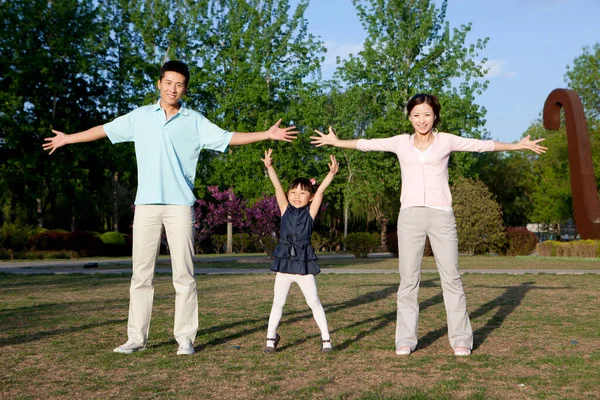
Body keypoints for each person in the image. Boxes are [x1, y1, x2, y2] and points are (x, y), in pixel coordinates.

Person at [43, 60, 298, 356]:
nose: (173, 89)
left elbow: (229, 137)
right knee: (141, 276)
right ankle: (136, 338)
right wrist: (67, 139)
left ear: (185, 89)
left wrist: (266, 135)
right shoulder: (140, 117)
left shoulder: (194, 120)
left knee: (184, 276)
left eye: (179, 84)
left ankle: (185, 339)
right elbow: (103, 130)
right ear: (159, 84)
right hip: (147, 206)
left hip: (180, 206)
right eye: (168, 83)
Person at [311, 93, 546, 357]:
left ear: (435, 116)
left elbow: (481, 145)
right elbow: (368, 144)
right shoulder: (400, 142)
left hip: (442, 215)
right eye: (416, 115)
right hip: (410, 216)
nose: (421, 120)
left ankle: (461, 340)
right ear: (409, 117)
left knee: (452, 279)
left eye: (427, 114)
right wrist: (337, 142)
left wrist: (518, 146)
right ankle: (405, 340)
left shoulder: (446, 140)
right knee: (408, 281)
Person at [261, 148, 338, 353]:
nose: (297, 195)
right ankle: (270, 339)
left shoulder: (311, 213)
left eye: (303, 192)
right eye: (293, 192)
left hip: (303, 264)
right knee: (278, 302)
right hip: (284, 264)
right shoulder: (285, 209)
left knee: (313, 301)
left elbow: (321, 191)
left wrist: (331, 174)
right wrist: (269, 167)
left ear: (310, 197)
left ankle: (326, 340)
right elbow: (277, 187)